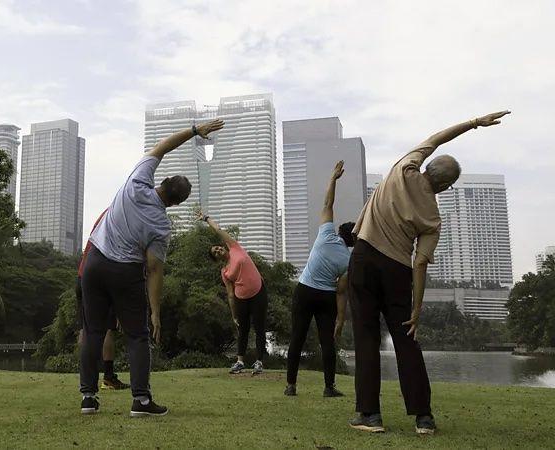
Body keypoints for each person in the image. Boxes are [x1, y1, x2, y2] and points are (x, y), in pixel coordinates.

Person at [347, 111, 510, 434]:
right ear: (446, 185)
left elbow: (438, 138)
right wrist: (417, 309)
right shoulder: (433, 218)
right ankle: (423, 417)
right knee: (406, 341)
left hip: (365, 259)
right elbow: (419, 264)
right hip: (398, 271)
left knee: (366, 337)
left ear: (427, 166)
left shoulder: (404, 167)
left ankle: (369, 415)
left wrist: (473, 123)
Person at [80, 119, 224, 417]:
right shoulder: (160, 226)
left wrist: (196, 131)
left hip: (94, 263)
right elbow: (154, 270)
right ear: (176, 203)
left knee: (92, 331)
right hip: (125, 272)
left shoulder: (136, 181)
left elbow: (164, 146)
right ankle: (141, 401)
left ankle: (89, 399)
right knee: (137, 335)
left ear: (162, 180)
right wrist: (155, 311)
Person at [285, 160, 353, 398]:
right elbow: (341, 291)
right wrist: (341, 320)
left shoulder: (325, 234)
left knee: (297, 338)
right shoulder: (347, 261)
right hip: (326, 297)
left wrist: (333, 178)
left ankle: (291, 386)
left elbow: (328, 203)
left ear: (338, 231)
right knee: (327, 343)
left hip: (304, 291)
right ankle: (329, 387)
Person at [200, 212, 269, 376]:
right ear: (217, 259)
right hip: (241, 299)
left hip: (258, 292)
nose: (218, 250)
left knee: (259, 327)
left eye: (217, 247)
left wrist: (206, 218)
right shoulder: (224, 272)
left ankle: (259, 361)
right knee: (243, 330)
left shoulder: (235, 247)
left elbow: (218, 230)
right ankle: (240, 362)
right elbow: (230, 294)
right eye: (215, 253)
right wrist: (234, 315)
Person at [76, 209, 129, 390]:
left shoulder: (105, 218)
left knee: (89, 330)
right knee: (107, 330)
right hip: (101, 278)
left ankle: (88, 386)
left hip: (84, 276)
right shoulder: (121, 218)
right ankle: (107, 376)